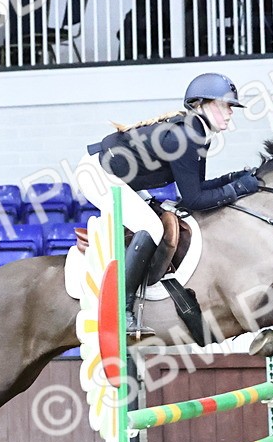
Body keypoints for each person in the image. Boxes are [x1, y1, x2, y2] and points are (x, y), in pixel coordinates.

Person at [83, 72, 261, 333]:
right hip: (99, 175)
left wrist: (235, 178)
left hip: (121, 178)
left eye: (231, 106)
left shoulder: (197, 133)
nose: (230, 112)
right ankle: (121, 309)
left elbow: (195, 190)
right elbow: (195, 200)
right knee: (153, 228)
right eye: (224, 105)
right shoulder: (186, 137)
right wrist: (238, 189)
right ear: (200, 104)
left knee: (161, 218)